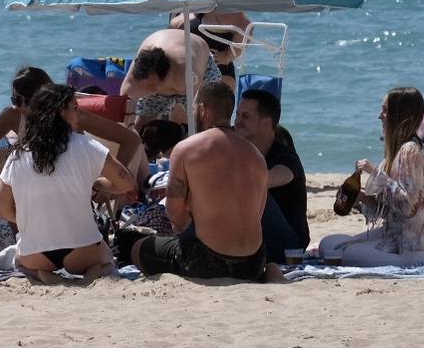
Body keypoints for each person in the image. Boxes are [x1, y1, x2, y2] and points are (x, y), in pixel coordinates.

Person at [130, 81, 269, 281]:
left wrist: (190, 232)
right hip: (253, 263)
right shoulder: (256, 155)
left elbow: (175, 213)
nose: (192, 112)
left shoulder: (186, 149)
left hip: (207, 261)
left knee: (138, 248)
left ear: (203, 110)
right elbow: (258, 212)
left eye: (193, 107)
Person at [0, 84, 135, 282]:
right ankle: (96, 271)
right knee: (107, 260)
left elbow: (1, 209)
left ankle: (40, 274)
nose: (78, 115)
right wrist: (100, 184)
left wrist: (31, 218)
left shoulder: (18, 155)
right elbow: (126, 183)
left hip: (37, 255)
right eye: (75, 109)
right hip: (83, 250)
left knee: (21, 262)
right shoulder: (87, 146)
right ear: (62, 112)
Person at [318, 87, 424, 267]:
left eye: (385, 110)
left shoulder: (409, 151)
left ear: (400, 115)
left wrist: (374, 171)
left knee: (338, 252)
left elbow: (408, 207)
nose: (380, 116)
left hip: (418, 247)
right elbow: (391, 211)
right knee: (328, 244)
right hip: (400, 234)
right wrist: (360, 198)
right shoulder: (398, 151)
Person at [234, 88, 309, 263]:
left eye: (245, 116)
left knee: (254, 189)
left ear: (266, 123)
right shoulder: (241, 150)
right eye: (237, 115)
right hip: (257, 239)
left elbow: (276, 177)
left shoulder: (284, 156)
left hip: (288, 246)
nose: (237, 121)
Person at [121, 28, 222, 127]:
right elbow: (124, 106)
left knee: (188, 124)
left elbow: (197, 110)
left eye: (152, 85)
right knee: (141, 125)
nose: (150, 89)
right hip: (164, 47)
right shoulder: (137, 75)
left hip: (199, 65)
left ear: (167, 75)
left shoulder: (187, 74)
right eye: (145, 85)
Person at [0, 66, 54, 192]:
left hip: (55, 179)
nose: (21, 106)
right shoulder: (13, 115)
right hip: (24, 186)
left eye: (28, 101)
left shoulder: (62, 115)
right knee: (1, 157)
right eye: (16, 100)